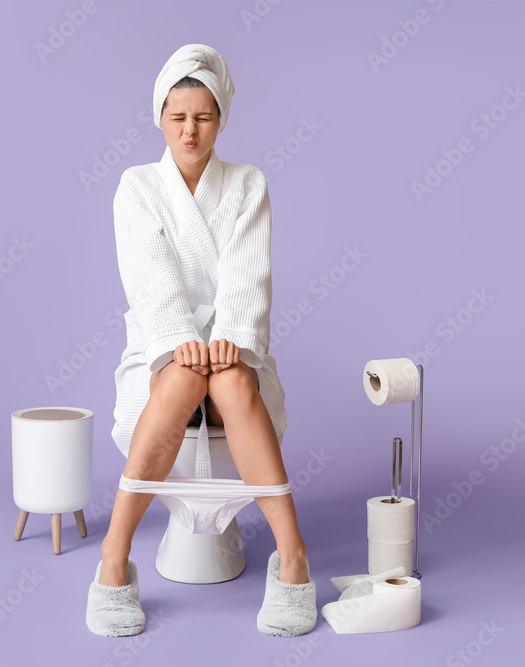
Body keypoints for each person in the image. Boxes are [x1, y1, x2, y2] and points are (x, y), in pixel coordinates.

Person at [86, 44, 316, 638]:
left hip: (231, 347)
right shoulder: (138, 187)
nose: (190, 131)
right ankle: (114, 560)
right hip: (164, 349)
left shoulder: (247, 184)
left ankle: (293, 560)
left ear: (221, 118)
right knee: (183, 375)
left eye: (204, 117)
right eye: (178, 117)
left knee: (235, 381)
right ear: (160, 117)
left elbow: (249, 272)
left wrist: (232, 339)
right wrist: (179, 340)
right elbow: (148, 273)